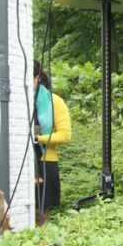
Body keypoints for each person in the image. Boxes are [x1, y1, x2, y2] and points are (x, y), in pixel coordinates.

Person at [33, 61, 71, 225]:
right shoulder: (21, 101)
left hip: (44, 162)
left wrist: (38, 139)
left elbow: (65, 135)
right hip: (23, 162)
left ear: (38, 78)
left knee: (40, 215)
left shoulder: (54, 101)